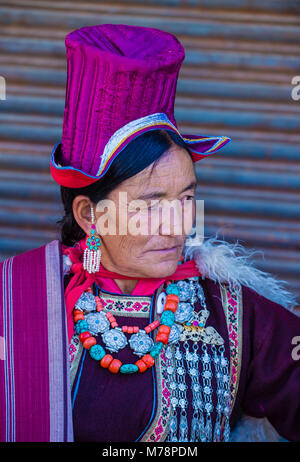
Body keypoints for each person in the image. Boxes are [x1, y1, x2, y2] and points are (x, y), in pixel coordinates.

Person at [0, 23, 299, 443]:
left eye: (186, 197)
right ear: (90, 215)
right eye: (151, 204)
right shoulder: (15, 303)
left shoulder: (233, 313)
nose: (178, 225)